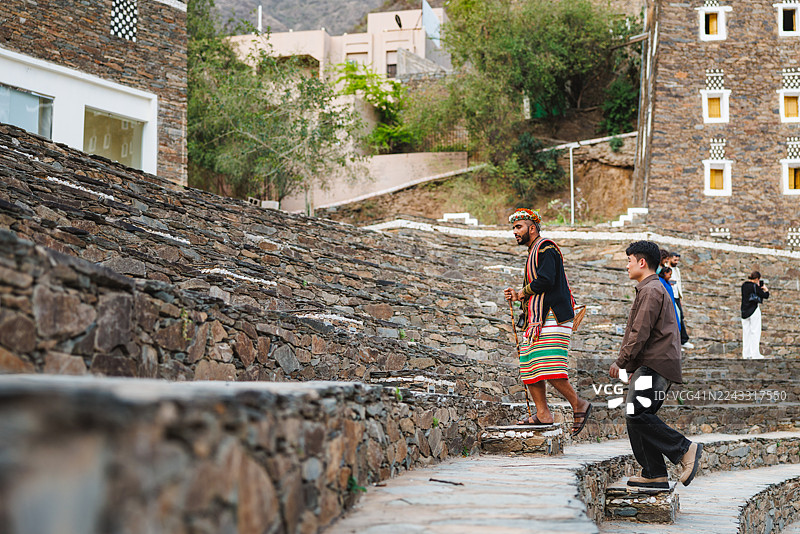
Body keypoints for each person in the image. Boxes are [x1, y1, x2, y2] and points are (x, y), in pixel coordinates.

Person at [610, 241, 702, 489]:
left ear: (641, 262)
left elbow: (639, 333)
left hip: (656, 364)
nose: (626, 266)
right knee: (637, 415)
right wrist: (632, 368)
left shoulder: (651, 290)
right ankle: (654, 473)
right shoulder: (650, 289)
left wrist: (621, 363)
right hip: (653, 364)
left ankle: (685, 449)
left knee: (638, 413)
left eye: (629, 260)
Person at [504, 208, 592, 436]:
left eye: (518, 227)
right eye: (514, 228)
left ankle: (578, 404)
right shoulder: (534, 250)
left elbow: (546, 280)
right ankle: (543, 413)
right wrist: (518, 295)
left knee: (548, 365)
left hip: (552, 315)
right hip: (537, 319)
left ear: (531, 228)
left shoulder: (546, 247)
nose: (515, 232)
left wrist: (521, 293)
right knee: (529, 365)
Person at [741, 271, 770, 360]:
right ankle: (755, 354)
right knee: (755, 332)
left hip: (744, 311)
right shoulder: (755, 286)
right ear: (757, 279)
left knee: (746, 333)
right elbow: (765, 296)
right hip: (753, 310)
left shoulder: (744, 285)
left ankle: (746, 354)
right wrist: (765, 289)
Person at [668, 252, 693, 349]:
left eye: (678, 260)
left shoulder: (677, 270)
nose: (676, 262)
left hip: (676, 296)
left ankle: (682, 340)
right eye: (675, 260)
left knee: (680, 317)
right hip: (670, 296)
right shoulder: (665, 269)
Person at [658, 266, 681, 333]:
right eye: (669, 274)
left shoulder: (667, 282)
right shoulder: (660, 281)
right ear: (665, 273)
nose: (670, 276)